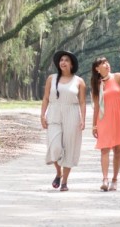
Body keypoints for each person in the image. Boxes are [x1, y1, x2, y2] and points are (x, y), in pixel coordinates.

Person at [90, 57, 120, 191]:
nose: (107, 65)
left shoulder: (117, 77)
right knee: (104, 149)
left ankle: (114, 179)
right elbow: (96, 107)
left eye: (107, 62)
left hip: (118, 118)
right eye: (103, 63)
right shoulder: (96, 84)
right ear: (97, 68)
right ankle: (105, 179)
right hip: (103, 120)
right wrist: (94, 125)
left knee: (118, 149)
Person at [40, 49, 86, 191]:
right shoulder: (51, 79)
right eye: (61, 60)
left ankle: (64, 181)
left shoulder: (79, 81)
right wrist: (42, 115)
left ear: (72, 64)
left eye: (66, 60)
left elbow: (83, 102)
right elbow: (46, 98)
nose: (63, 62)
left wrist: (83, 119)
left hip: (72, 114)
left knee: (70, 148)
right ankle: (58, 173)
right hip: (54, 113)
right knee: (55, 147)